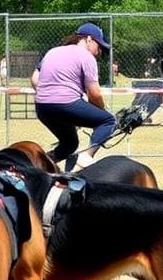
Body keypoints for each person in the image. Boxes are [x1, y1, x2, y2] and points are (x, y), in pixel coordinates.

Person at [31, 23, 116, 171]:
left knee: (69, 143)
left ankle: (41, 165)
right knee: (108, 121)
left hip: (42, 107)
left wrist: (49, 94)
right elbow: (94, 93)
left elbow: (34, 78)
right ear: (89, 39)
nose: (99, 52)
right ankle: (86, 157)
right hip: (66, 103)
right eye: (99, 46)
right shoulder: (87, 57)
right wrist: (102, 109)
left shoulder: (52, 51)